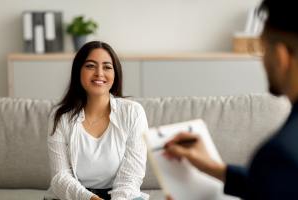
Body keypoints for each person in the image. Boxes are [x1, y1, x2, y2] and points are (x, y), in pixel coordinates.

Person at [165, 0, 298, 199]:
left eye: (262, 48)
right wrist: (215, 168)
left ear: (280, 56)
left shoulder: (279, 156)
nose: (262, 59)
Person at [44, 41, 148, 200]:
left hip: (122, 196)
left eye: (107, 67)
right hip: (74, 196)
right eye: (90, 66)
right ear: (78, 71)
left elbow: (131, 176)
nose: (99, 73)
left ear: (115, 74)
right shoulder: (60, 117)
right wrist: (91, 199)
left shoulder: (133, 113)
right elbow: (60, 177)